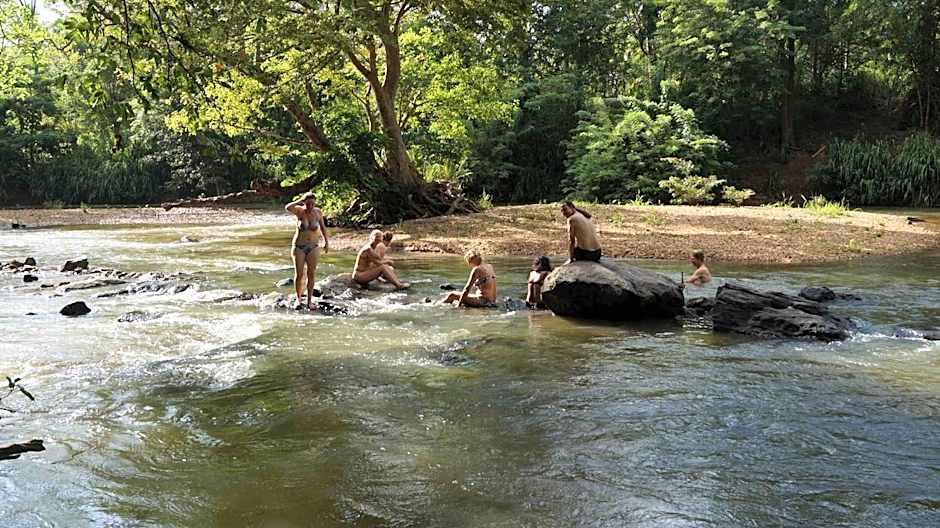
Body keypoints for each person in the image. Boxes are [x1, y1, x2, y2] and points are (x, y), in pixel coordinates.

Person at [285, 192, 329, 310]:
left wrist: (326, 242)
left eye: (312, 204)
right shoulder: (299, 211)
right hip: (299, 246)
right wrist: (299, 201)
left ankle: (309, 301)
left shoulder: (318, 212)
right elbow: (287, 207)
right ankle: (298, 299)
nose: (310, 206)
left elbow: (323, 228)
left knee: (311, 273)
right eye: (308, 204)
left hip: (313, 247)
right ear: (304, 203)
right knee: (299, 274)